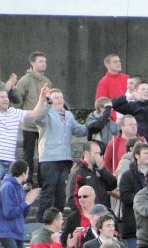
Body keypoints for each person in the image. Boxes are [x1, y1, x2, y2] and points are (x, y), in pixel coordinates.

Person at [35, 87, 101, 220]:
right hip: (49, 159)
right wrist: (46, 102)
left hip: (65, 159)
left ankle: (56, 221)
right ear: (50, 100)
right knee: (48, 192)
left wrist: (94, 122)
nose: (59, 99)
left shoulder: (68, 115)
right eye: (56, 97)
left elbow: (79, 131)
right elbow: (37, 119)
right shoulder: (46, 113)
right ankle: (40, 222)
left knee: (61, 194)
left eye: (61, 97)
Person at [0, 84, 47, 213]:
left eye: (6, 97)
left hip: (10, 164)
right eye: (1, 97)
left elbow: (35, 113)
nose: (6, 99)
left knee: (10, 196)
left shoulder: (14, 112)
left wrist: (42, 97)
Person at [15, 51, 51, 180]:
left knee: (43, 155)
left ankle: (41, 181)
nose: (44, 64)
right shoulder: (25, 80)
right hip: (29, 125)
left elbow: (49, 103)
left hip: (43, 126)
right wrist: (19, 119)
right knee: (28, 155)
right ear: (32, 63)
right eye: (41, 61)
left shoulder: (47, 81)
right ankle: (27, 180)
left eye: (45, 61)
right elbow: (17, 100)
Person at [118, 141, 148, 248]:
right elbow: (125, 196)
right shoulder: (127, 175)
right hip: (134, 227)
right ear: (137, 155)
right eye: (145, 153)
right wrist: (143, 200)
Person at [67, 141, 117, 211]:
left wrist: (102, 169)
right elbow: (72, 198)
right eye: (96, 153)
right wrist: (83, 214)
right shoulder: (78, 172)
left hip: (103, 213)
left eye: (100, 154)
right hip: (88, 215)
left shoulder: (99, 170)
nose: (99, 156)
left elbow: (112, 185)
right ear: (87, 154)